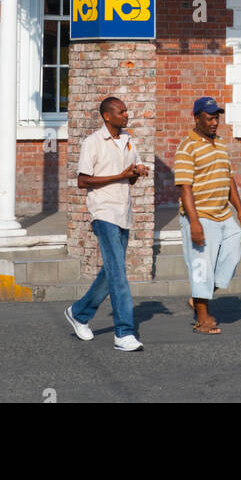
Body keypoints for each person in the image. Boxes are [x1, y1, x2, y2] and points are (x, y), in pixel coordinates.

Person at [64, 96, 148, 352]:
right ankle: (123, 333)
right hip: (103, 213)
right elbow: (82, 181)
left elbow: (130, 176)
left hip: (123, 212)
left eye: (126, 110)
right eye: (121, 112)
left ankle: (79, 313)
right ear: (107, 116)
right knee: (119, 275)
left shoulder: (127, 140)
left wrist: (136, 173)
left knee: (111, 271)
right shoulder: (93, 142)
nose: (126, 115)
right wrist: (120, 176)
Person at [174, 96, 241, 334]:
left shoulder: (221, 144)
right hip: (199, 214)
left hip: (223, 214)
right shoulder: (187, 147)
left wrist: (240, 209)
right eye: (209, 118)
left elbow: (229, 179)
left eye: (216, 117)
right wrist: (194, 223)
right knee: (201, 266)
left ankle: (200, 297)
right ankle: (202, 318)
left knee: (233, 253)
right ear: (196, 118)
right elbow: (185, 187)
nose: (214, 122)